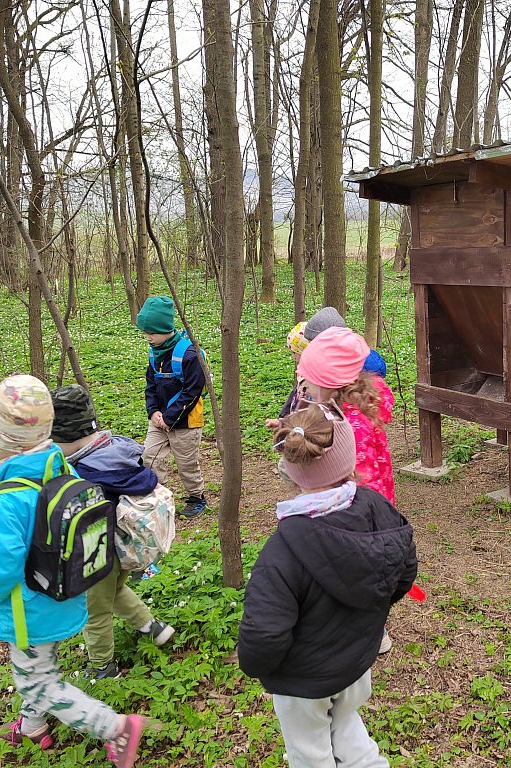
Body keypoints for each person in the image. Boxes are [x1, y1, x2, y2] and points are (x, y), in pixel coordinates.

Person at [0, 375, 148, 766]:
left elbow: (0, 568)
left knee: (39, 682)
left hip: (26, 611)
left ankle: (114, 727)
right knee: (37, 668)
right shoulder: (60, 465)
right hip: (65, 593)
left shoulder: (5, 501)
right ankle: (33, 726)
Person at [238, 402, 417, 768]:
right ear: (350, 459)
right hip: (356, 665)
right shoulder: (377, 507)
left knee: (310, 753)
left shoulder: (281, 551)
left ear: (290, 469)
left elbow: (264, 635)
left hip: (304, 683)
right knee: (346, 724)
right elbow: (404, 571)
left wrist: (258, 667)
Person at [50, 384, 175, 680]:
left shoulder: (82, 474)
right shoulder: (116, 450)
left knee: (95, 611)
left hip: (97, 553)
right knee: (116, 590)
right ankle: (152, 628)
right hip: (125, 545)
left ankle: (102, 667)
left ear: (65, 438)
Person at [296, 326, 396, 505]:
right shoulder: (340, 412)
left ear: (327, 384)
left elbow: (363, 483)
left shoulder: (353, 426)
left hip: (363, 512)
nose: (305, 386)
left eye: (309, 381)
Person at [136, 296, 208, 519]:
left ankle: (196, 497)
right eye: (145, 333)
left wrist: (170, 417)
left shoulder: (189, 355)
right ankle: (159, 495)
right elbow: (150, 386)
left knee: (187, 464)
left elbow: (192, 392)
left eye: (151, 333)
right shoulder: (154, 353)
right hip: (159, 420)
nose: (148, 337)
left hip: (186, 422)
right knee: (149, 456)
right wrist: (153, 412)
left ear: (165, 329)